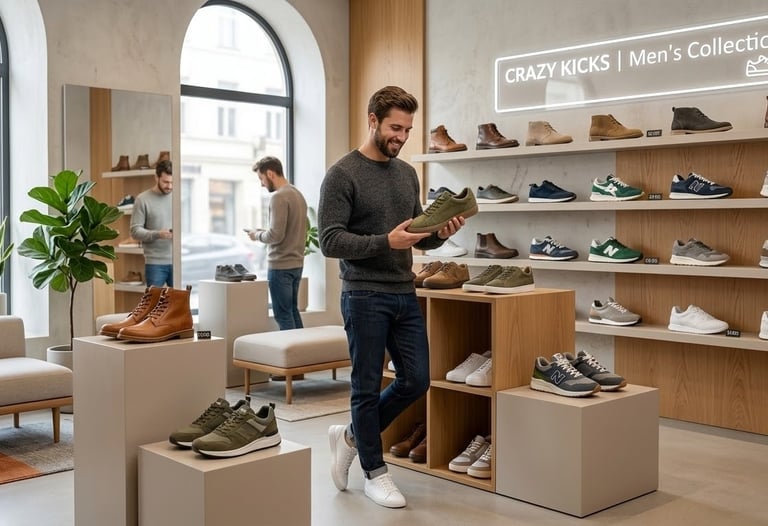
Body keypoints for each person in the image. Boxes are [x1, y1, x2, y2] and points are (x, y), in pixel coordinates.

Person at [318, 86, 465, 508]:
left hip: (404, 290)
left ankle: (350, 436)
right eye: (395, 128)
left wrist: (439, 234)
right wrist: (387, 240)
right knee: (365, 387)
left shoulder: (406, 173)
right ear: (373, 120)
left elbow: (414, 238)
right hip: (363, 294)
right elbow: (330, 241)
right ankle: (374, 472)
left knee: (417, 379)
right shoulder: (342, 174)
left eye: (407, 129)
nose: (401, 136)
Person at [248, 156, 308, 331]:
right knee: (292, 311)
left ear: (270, 173)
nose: (262, 184)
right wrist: (263, 232)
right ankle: (302, 354)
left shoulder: (279, 197)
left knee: (283, 315)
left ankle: (291, 356)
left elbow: (276, 235)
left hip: (280, 266)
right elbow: (287, 230)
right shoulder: (297, 194)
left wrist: (257, 235)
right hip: (296, 264)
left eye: (261, 178)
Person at [130, 159, 173, 287]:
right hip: (155, 263)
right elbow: (135, 231)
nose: (169, 186)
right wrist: (158, 234)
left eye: (172, 182)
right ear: (156, 177)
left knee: (180, 305)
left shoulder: (179, 197)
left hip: (179, 261)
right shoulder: (142, 199)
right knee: (153, 305)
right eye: (165, 182)